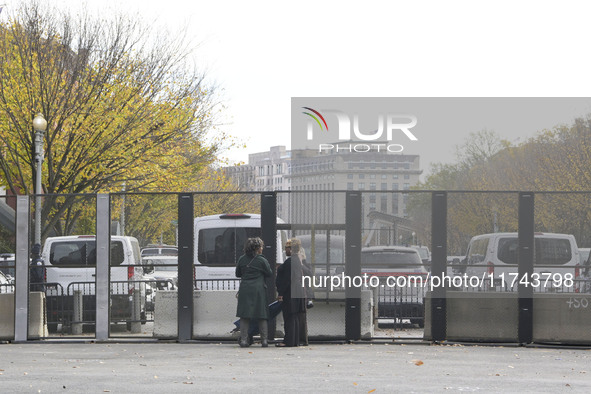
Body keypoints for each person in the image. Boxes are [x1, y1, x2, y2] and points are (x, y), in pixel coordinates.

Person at [235, 237, 273, 348]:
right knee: (262, 315)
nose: (262, 248)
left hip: (245, 289)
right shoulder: (262, 260)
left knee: (244, 315)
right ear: (257, 248)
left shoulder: (242, 259)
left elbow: (238, 274)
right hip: (258, 290)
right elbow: (269, 273)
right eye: (261, 246)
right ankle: (264, 341)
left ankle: (243, 340)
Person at [276, 238, 307, 347]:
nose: (285, 250)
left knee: (289, 317)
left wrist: (281, 293)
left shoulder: (290, 262)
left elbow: (286, 279)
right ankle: (295, 340)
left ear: (291, 249)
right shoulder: (298, 260)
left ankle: (288, 341)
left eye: (286, 248)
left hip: (290, 292)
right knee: (294, 317)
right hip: (298, 291)